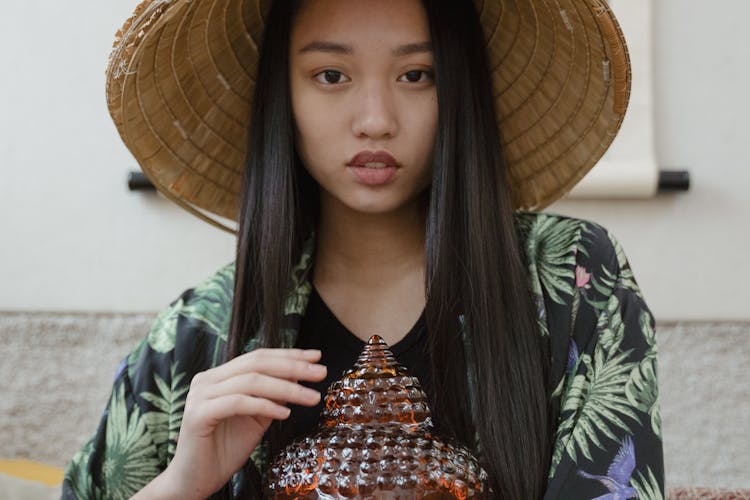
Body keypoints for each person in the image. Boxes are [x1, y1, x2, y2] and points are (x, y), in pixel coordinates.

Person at [63, 0, 664, 498]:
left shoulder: (573, 278)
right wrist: (183, 483)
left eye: (416, 75)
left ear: (459, 90)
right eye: (331, 75)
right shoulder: (196, 334)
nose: (375, 120)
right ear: (282, 95)